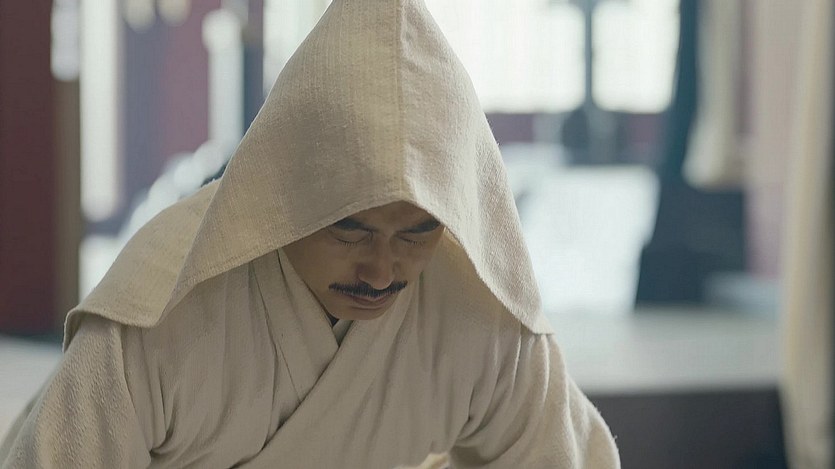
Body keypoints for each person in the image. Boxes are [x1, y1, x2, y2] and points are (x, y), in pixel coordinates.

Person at [0, 0, 620, 467]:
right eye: (351, 231)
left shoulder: (482, 316)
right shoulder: (162, 310)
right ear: (286, 197)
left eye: (415, 234)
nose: (381, 272)